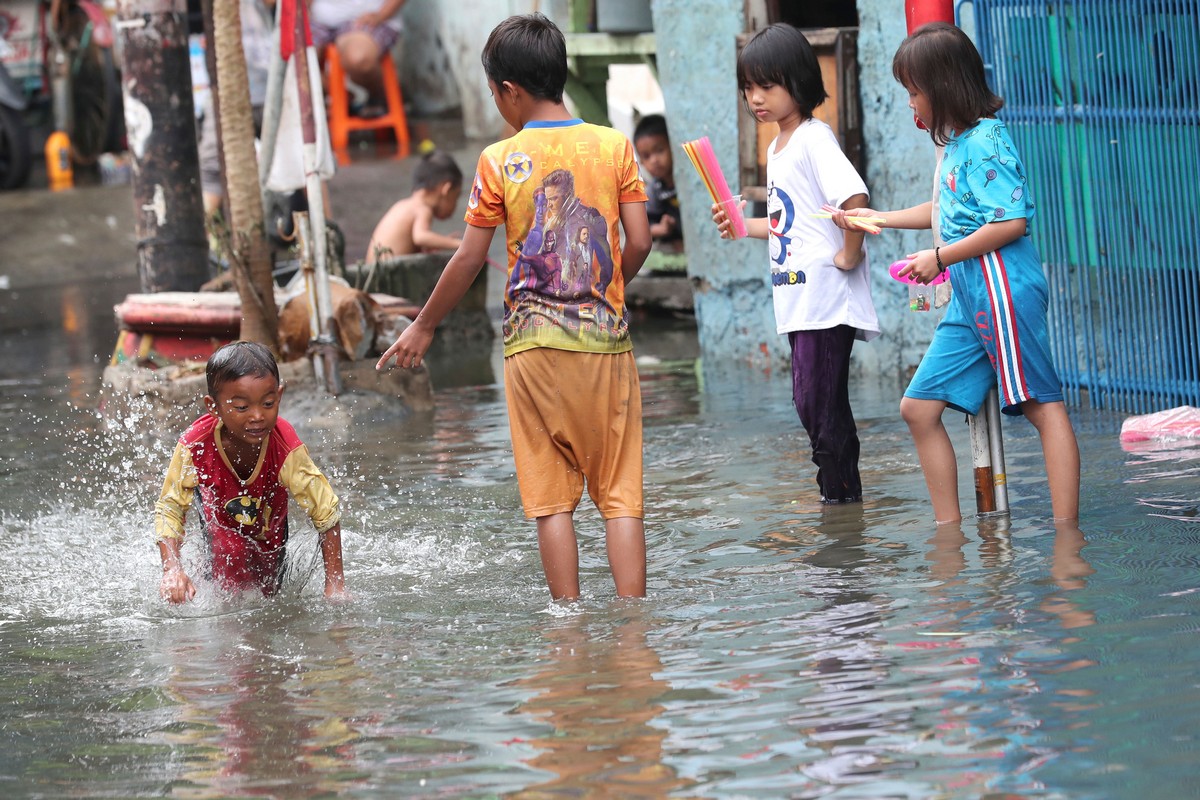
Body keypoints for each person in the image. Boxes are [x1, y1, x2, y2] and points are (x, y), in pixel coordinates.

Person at [376, 13, 652, 600]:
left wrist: (424, 325)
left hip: (532, 349)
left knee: (551, 500)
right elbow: (641, 240)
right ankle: (634, 627)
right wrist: (610, 292)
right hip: (605, 344)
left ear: (509, 90)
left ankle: (568, 626)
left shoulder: (499, 160)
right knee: (620, 495)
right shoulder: (614, 146)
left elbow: (470, 257)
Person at [831, 22, 1080, 524]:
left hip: (1003, 288)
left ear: (942, 87)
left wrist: (941, 258)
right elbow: (947, 210)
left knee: (1040, 405)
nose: (910, 103)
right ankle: (950, 536)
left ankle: (1066, 538)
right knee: (918, 409)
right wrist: (876, 218)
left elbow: (1011, 222)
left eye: (913, 90)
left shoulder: (988, 140)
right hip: (972, 294)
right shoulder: (959, 145)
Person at [712, 23, 879, 505]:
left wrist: (849, 254)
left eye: (767, 85)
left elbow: (854, 197)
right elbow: (790, 223)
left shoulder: (812, 139)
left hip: (824, 298)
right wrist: (745, 227)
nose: (755, 98)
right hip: (799, 299)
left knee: (820, 408)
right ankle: (842, 507)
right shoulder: (777, 146)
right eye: (749, 88)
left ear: (797, 81)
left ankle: (842, 508)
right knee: (812, 407)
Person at [154, 341, 347, 603]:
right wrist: (172, 569)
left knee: (268, 593)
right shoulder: (194, 445)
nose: (257, 416)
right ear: (213, 406)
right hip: (220, 522)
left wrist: (335, 586)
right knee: (228, 557)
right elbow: (170, 508)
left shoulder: (286, 447)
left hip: (269, 527)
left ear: (279, 396)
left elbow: (326, 511)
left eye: (268, 404)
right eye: (242, 407)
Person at [365, 150, 463, 262]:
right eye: (456, 197)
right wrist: (459, 244)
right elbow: (421, 237)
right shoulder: (422, 209)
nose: (455, 205)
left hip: (373, 271)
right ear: (447, 189)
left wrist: (440, 242)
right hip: (387, 275)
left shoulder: (402, 205)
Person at [312, 0, 407, 114]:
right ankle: (344, 97)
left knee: (359, 59)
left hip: (368, 18)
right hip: (319, 20)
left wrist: (382, 15)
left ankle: (381, 94)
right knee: (297, 68)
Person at [632, 114, 682, 243]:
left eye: (659, 150)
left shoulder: (685, 182)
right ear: (641, 161)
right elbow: (646, 227)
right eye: (646, 156)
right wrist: (662, 229)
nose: (654, 160)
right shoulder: (654, 190)